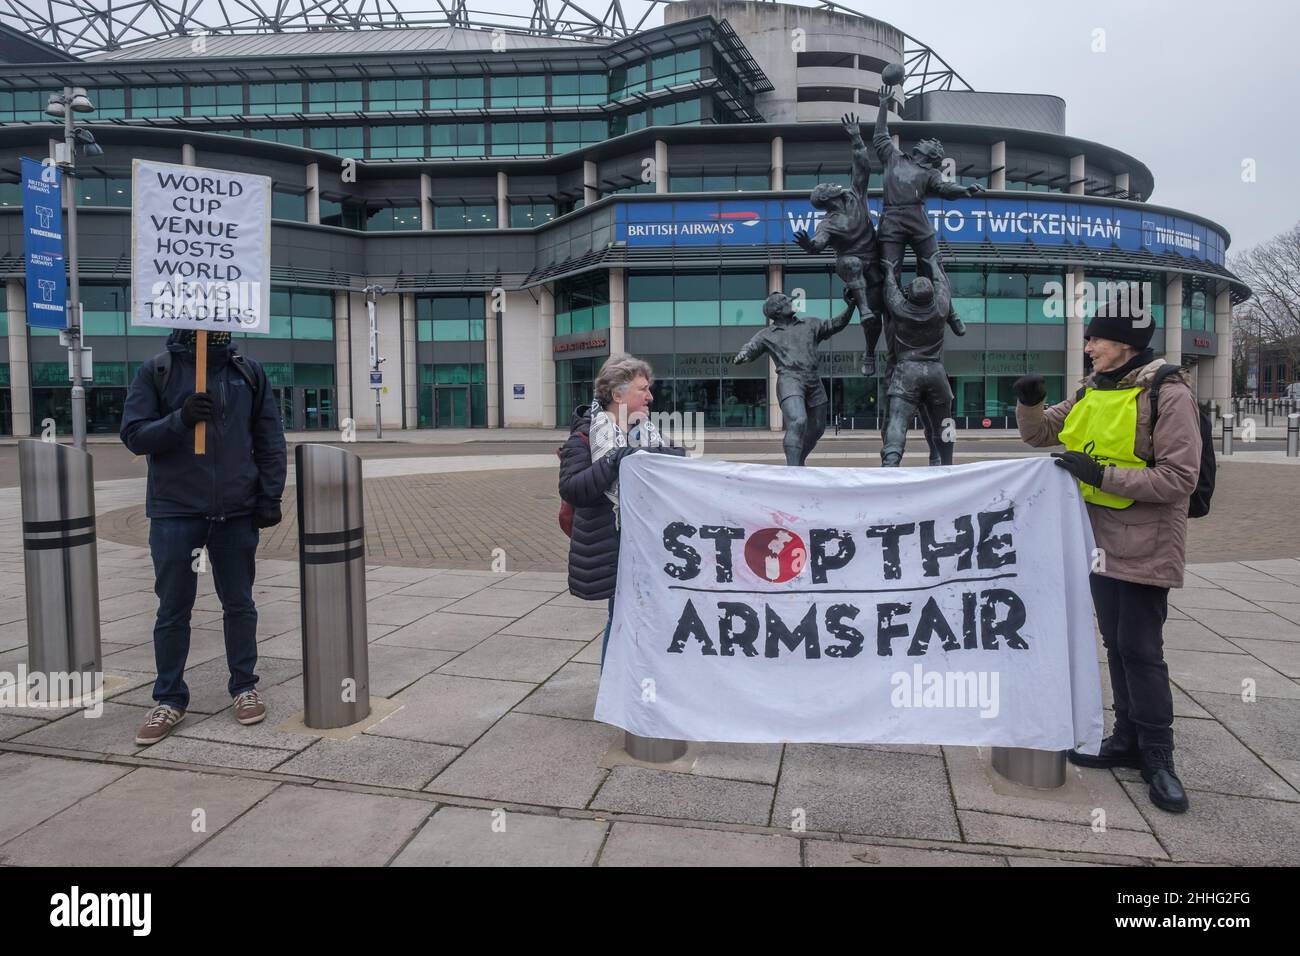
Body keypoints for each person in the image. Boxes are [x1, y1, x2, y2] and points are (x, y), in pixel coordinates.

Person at [1013, 305, 1202, 813]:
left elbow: (1178, 479)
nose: (1089, 347)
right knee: (1115, 644)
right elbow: (1040, 435)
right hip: (1094, 540)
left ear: (1127, 344)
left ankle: (1159, 757)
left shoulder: (1169, 392)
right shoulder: (1092, 388)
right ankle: (1125, 739)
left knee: (1141, 648)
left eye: (1097, 340)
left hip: (1147, 539)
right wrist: (1030, 404)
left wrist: (1100, 476)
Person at [120, 329, 286, 745]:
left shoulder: (248, 373)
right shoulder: (157, 371)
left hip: (235, 511)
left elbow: (269, 439)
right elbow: (134, 436)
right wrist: (181, 419)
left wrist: (269, 495)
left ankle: (244, 687)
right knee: (173, 608)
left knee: (240, 603)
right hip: (176, 510)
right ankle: (169, 698)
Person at [558, 354, 684, 668]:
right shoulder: (584, 438)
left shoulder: (645, 432)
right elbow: (574, 489)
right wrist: (615, 460)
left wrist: (647, 449)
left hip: (644, 544)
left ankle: (628, 689)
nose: (650, 396)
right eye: (643, 388)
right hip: (611, 545)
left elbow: (677, 460)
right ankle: (613, 693)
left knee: (639, 618)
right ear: (617, 395)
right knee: (621, 619)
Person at [792, 113, 884, 376]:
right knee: (850, 263)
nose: (835, 184)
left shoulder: (855, 196)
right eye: (829, 185)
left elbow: (862, 167)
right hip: (854, 268)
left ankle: (871, 344)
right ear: (825, 197)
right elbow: (819, 245)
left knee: (879, 317)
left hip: (876, 260)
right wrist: (809, 246)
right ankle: (868, 348)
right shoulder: (827, 224)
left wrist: (856, 137)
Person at [734, 289, 856, 466]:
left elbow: (836, 324)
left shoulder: (810, 324)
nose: (791, 302)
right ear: (776, 310)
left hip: (814, 380)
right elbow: (751, 346)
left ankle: (798, 461)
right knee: (798, 420)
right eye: (786, 301)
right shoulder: (767, 334)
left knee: (817, 428)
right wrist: (743, 354)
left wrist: (851, 307)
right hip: (790, 380)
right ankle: (792, 469)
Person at [878, 256, 957, 467]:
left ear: (910, 296)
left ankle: (891, 464)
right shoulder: (941, 308)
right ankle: (948, 464)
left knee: (897, 420)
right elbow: (942, 285)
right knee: (944, 423)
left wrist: (888, 271)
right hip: (935, 371)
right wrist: (934, 265)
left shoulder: (901, 310)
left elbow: (890, 290)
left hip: (907, 371)